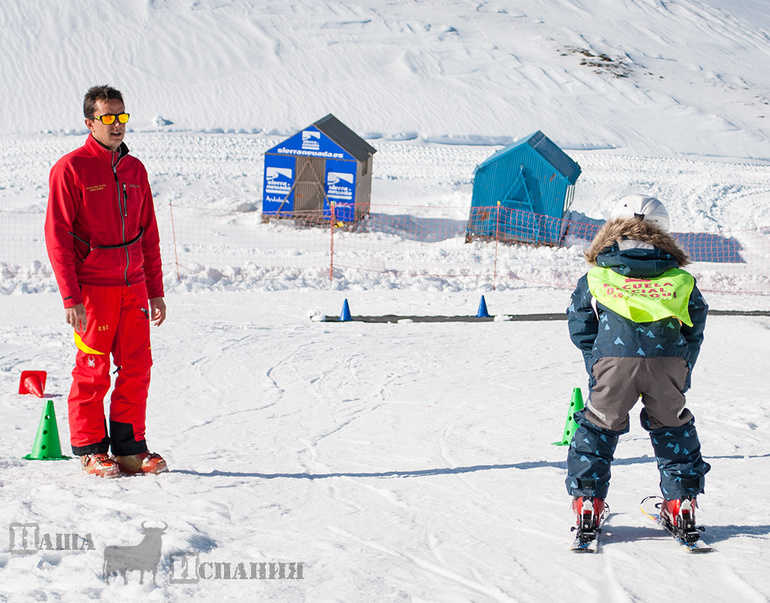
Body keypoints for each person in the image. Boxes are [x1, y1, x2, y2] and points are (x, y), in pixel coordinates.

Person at [565, 194, 710, 537]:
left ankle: (589, 502)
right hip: (668, 360)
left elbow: (579, 317)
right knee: (673, 428)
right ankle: (681, 504)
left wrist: (595, 360)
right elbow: (696, 320)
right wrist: (684, 363)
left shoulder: (599, 273)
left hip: (614, 361)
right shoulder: (678, 277)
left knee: (598, 428)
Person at [45, 85, 168, 478]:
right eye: (108, 117)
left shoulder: (135, 170)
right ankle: (92, 450)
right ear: (90, 122)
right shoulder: (72, 168)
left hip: (133, 288)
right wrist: (70, 297)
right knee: (92, 369)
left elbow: (149, 234)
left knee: (138, 367)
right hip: (92, 290)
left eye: (122, 116)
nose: (117, 125)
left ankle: (131, 449)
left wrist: (156, 291)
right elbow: (57, 235)